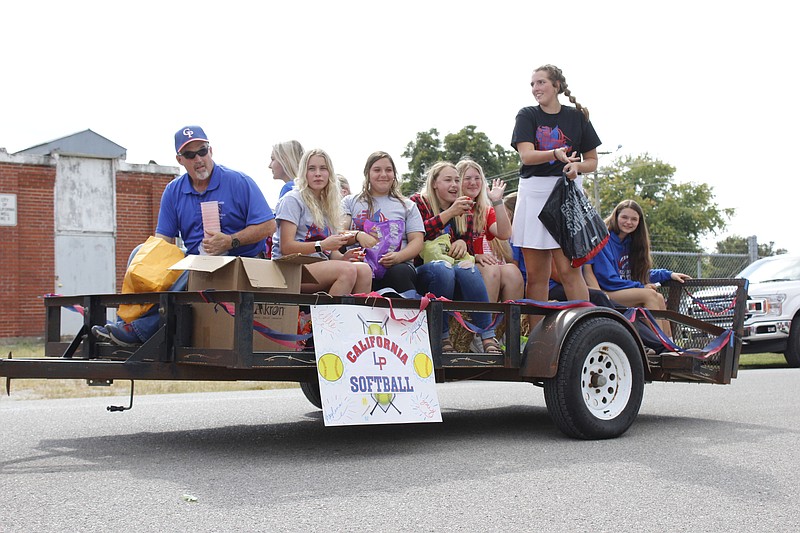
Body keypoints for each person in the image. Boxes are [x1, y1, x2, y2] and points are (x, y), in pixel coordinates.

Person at [94, 125, 276, 346]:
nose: (198, 159)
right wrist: (149, 264)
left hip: (243, 262)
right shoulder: (173, 190)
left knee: (195, 266)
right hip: (196, 260)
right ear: (180, 160)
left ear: (211, 151)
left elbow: (268, 225)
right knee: (140, 254)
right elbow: (163, 243)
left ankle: (138, 333)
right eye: (190, 154)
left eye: (202, 151)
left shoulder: (238, 181)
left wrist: (230, 240)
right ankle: (125, 321)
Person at [511, 64, 602, 313]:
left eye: (540, 82)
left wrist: (577, 168)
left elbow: (592, 161)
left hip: (566, 195)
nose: (535, 88)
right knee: (537, 275)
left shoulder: (577, 117)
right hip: (533, 194)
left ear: (556, 86)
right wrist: (554, 153)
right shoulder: (527, 115)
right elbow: (527, 156)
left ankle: (583, 327)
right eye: (532, 84)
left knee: (569, 270)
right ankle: (537, 342)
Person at [410, 161, 502, 354]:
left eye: (456, 180)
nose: (454, 185)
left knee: (468, 267)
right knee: (442, 268)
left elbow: (467, 246)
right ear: (434, 183)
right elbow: (417, 234)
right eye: (448, 180)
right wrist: (449, 213)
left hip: (454, 275)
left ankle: (487, 334)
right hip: (424, 273)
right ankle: (442, 336)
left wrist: (462, 243)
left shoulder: (464, 209)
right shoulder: (419, 202)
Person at [271, 148, 372, 296]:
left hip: (318, 266)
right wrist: (322, 245)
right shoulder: (292, 199)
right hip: (289, 268)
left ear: (329, 173)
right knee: (347, 270)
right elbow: (286, 247)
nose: (318, 173)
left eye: (323, 168)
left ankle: (352, 318)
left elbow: (330, 253)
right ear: (303, 173)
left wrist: (344, 257)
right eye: (311, 168)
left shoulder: (329, 204)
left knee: (364, 270)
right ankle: (327, 319)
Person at [583, 199, 691, 336]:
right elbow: (608, 279)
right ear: (615, 217)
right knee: (649, 295)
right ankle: (661, 345)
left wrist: (668, 275)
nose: (629, 222)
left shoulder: (630, 243)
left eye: (634, 219)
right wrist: (640, 287)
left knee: (658, 297)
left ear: (639, 222)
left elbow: (637, 272)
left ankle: (670, 344)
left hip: (620, 289)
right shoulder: (603, 240)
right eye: (624, 217)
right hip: (605, 292)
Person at [342, 151, 424, 295]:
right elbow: (340, 232)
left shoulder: (407, 205)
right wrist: (358, 235)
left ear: (394, 174)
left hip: (398, 265)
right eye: (377, 170)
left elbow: (417, 241)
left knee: (399, 273)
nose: (383, 175)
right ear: (367, 173)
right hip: (361, 264)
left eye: (388, 170)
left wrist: (399, 257)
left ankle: (407, 311)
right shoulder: (350, 202)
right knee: (355, 271)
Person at [456, 159, 523, 303]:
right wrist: (475, 257)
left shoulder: (484, 211)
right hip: (458, 264)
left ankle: (508, 323)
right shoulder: (452, 208)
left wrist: (497, 201)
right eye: (467, 178)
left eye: (477, 178)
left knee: (512, 271)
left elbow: (505, 233)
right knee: (491, 269)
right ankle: (486, 322)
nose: (473, 182)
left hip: (480, 264)